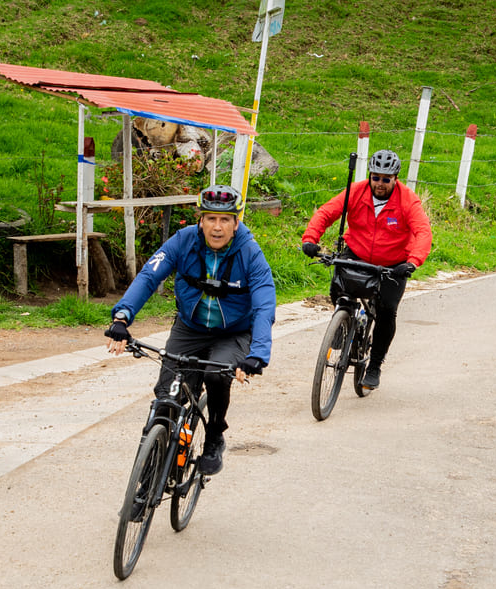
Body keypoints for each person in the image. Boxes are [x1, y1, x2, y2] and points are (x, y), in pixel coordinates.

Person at [107, 185, 276, 476]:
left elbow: (264, 305)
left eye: (225, 220)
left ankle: (214, 436)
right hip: (190, 328)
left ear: (237, 222)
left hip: (233, 333)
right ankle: (149, 473)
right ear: (200, 220)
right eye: (211, 219)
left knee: (217, 373)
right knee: (166, 399)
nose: (217, 227)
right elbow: (150, 275)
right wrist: (122, 318)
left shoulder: (250, 253)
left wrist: (257, 354)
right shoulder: (183, 241)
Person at [299, 149, 432, 389]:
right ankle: (342, 323)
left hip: (393, 263)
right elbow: (326, 212)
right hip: (357, 252)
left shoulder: (407, 200)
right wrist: (310, 238)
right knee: (339, 288)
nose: (379, 183)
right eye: (376, 177)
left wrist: (412, 261)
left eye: (385, 179)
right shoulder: (356, 191)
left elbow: (422, 231)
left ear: (395, 178)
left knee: (386, 311)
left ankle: (375, 366)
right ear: (370, 176)